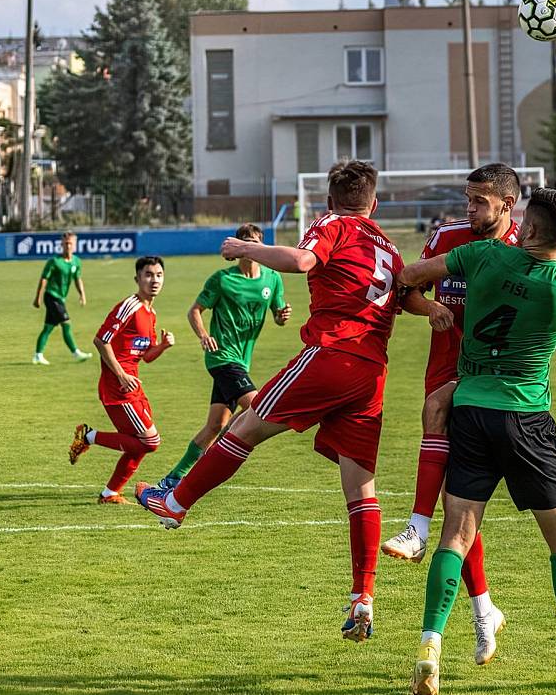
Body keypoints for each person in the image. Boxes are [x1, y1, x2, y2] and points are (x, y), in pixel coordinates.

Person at [135, 160, 407, 643]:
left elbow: (303, 262)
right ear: (376, 203)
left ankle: (175, 501)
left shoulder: (332, 223)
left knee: (244, 426)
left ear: (328, 201)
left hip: (331, 354)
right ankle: (363, 597)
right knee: (361, 488)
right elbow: (403, 295)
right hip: (371, 374)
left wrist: (245, 247)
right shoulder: (387, 245)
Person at [401, 188, 556, 693]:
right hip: (526, 417)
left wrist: (439, 304)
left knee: (455, 536)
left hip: (471, 409)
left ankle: (429, 645)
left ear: (524, 227)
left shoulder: (480, 254)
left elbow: (412, 276)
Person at [381, 164, 520, 666]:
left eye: (479, 201)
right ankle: (484, 610)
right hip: (442, 363)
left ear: (506, 204)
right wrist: (429, 309)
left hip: (487, 378)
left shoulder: (524, 250)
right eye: (468, 199)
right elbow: (406, 290)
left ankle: (418, 528)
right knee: (458, 508)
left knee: (450, 487)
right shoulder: (447, 235)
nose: (469, 209)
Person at [155, 223, 292, 491]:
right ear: (238, 247)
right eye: (245, 242)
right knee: (258, 407)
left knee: (215, 425)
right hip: (222, 358)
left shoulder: (273, 279)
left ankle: (172, 479)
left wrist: (281, 316)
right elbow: (195, 311)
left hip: (242, 360)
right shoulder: (222, 279)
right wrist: (204, 335)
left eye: (255, 242)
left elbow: (278, 316)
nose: (250, 247)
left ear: (261, 245)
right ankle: (214, 462)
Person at [69, 256, 175, 505]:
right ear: (137, 278)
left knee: (139, 444)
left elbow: (146, 356)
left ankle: (109, 494)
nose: (154, 280)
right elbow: (100, 340)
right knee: (151, 442)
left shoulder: (151, 313)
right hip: (118, 387)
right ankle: (89, 436)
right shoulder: (129, 306)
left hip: (132, 385)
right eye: (148, 275)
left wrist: (162, 346)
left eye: (159, 275)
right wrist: (120, 374)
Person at [32, 231, 92, 365]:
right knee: (66, 323)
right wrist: (38, 298)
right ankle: (76, 353)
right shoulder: (54, 261)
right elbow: (43, 279)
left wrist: (82, 294)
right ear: (62, 245)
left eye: (70, 244)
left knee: (48, 327)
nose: (68, 246)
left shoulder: (76, 261)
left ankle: (38, 355)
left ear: (75, 245)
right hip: (52, 296)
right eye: (66, 244)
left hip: (61, 298)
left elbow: (77, 279)